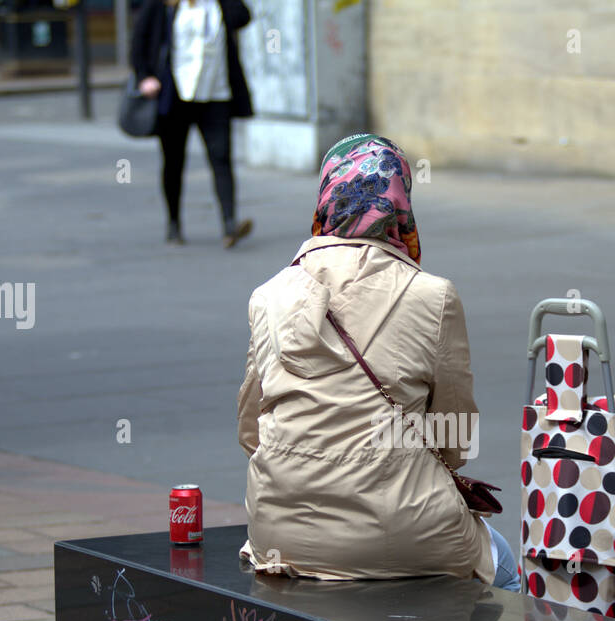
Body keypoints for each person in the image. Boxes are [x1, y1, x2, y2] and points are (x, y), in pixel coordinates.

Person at [236, 133, 519, 591]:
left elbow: (251, 430)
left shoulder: (270, 295)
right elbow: (454, 438)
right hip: (406, 529)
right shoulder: (433, 295)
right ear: (399, 205)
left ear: (328, 197)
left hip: (280, 534)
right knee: (505, 571)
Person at [130, 0, 254, 248]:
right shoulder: (162, 5)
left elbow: (243, 17)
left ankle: (229, 224)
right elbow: (138, 44)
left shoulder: (219, 5)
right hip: (174, 96)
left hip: (216, 94)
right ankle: (174, 223)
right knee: (173, 162)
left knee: (221, 158)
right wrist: (145, 77)